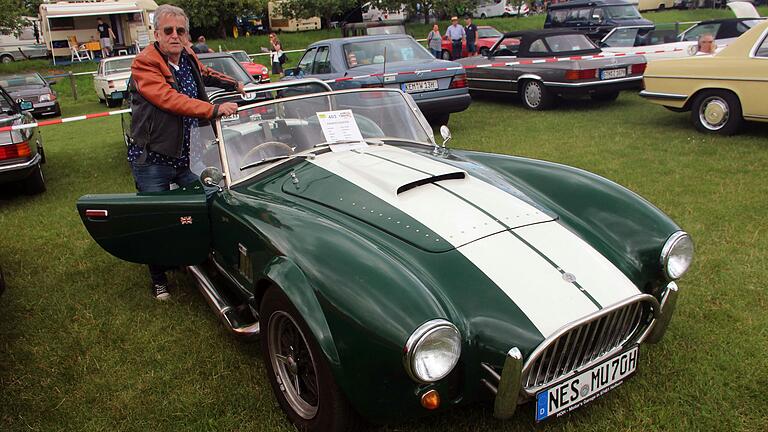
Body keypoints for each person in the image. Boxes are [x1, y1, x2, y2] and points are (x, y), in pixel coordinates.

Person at [128, 4, 243, 300]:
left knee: (206, 202)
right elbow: (169, 99)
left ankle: (198, 257)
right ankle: (158, 278)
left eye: (181, 31)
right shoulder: (145, 64)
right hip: (153, 156)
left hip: (187, 153)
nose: (175, 36)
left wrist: (235, 83)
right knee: (156, 218)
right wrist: (213, 109)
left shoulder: (188, 57)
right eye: (168, 30)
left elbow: (205, 73)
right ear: (157, 34)